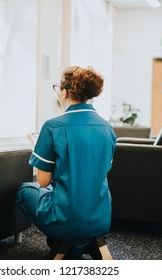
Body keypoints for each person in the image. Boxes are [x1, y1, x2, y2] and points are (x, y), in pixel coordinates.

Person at [16, 66, 116, 260]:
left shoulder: (53, 126)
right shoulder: (108, 128)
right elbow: (102, 169)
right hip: (102, 218)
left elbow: (43, 181)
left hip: (68, 218)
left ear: (65, 91)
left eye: (58, 87)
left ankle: (63, 242)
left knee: (24, 190)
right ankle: (88, 241)